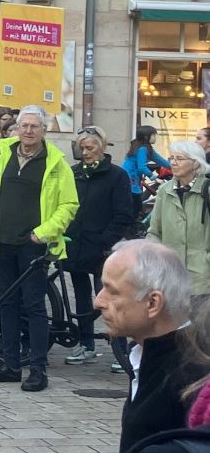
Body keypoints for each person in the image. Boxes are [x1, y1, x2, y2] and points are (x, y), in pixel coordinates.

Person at [0, 105, 79, 392]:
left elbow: (69, 205)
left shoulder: (56, 163)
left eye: (34, 126)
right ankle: (10, 364)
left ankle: (38, 368)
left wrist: (42, 233)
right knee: (6, 303)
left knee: (34, 306)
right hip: (3, 243)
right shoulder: (4, 155)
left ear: (44, 131)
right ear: (16, 129)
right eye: (24, 126)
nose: (28, 131)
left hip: (33, 246)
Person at [96, 240, 210, 453]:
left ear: (152, 303)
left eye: (112, 292)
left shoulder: (192, 379)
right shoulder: (148, 352)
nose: (98, 301)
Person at [63, 125, 134, 364]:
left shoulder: (116, 175)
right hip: (76, 244)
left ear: (102, 147)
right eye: (82, 148)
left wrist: (107, 239)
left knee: (109, 298)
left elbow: (123, 214)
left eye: (90, 147)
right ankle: (86, 344)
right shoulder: (73, 173)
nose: (86, 152)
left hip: (101, 247)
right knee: (81, 297)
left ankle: (120, 349)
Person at [148, 142, 210, 303]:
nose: (173, 162)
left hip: (203, 280)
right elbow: (154, 232)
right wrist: (155, 258)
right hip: (171, 278)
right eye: (171, 158)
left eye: (180, 159)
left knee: (201, 327)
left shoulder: (207, 190)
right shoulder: (164, 190)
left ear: (196, 163)